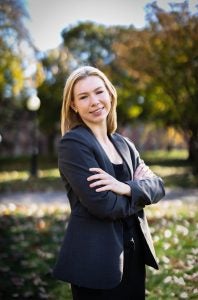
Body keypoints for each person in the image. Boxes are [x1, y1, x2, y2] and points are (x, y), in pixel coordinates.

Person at [53, 66, 165, 300]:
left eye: (98, 92)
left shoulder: (124, 143)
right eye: (83, 97)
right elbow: (103, 205)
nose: (94, 101)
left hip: (133, 256)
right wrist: (140, 197)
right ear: (73, 105)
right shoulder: (74, 144)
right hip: (95, 261)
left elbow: (158, 186)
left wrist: (126, 188)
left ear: (110, 94)